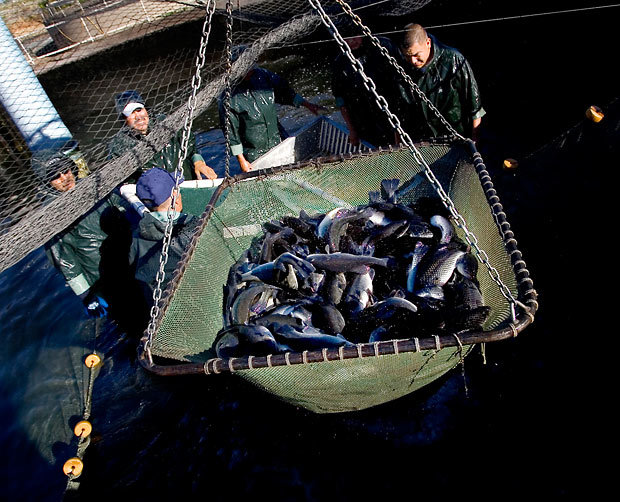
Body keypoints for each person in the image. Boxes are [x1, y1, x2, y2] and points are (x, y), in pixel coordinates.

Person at [43, 153, 133, 319]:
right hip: (101, 274)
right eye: (55, 176)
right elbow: (64, 261)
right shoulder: (49, 217)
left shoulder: (92, 185)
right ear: (47, 183)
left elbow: (119, 203)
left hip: (129, 254)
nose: (64, 177)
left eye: (65, 170)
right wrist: (86, 295)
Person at [219, 46, 323, 173]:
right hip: (254, 151)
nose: (248, 72)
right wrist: (242, 160)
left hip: (277, 137)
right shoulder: (229, 97)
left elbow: (285, 91)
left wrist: (308, 105)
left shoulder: (262, 76)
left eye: (250, 68)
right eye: (244, 70)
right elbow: (231, 133)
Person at [395, 23, 485, 142]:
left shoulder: (453, 60)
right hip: (423, 141)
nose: (413, 61)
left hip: (456, 137)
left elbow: (475, 107)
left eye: (417, 55)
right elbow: (397, 115)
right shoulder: (402, 67)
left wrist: (475, 142)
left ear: (428, 43)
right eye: (407, 56)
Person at [129, 167, 200, 315]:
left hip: (164, 309)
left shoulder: (136, 236)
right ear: (175, 195)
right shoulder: (192, 224)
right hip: (195, 297)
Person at [108, 90, 217, 181]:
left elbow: (190, 146)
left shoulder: (165, 123)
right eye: (131, 113)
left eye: (139, 110)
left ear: (146, 110)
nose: (138, 116)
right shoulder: (119, 145)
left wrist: (198, 162)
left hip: (187, 182)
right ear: (123, 119)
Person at [331, 27, 401, 148]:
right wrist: (352, 130)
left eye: (355, 37)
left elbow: (399, 89)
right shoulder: (339, 64)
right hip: (365, 122)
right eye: (346, 39)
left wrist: (398, 128)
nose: (352, 41)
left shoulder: (382, 47)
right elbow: (340, 100)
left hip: (390, 113)